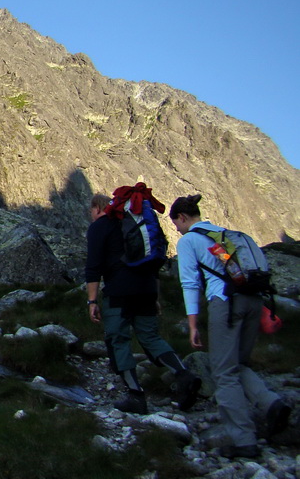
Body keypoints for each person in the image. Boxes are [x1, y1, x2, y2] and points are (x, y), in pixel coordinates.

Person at [170, 194, 292, 459]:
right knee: (239, 364)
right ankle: (271, 404)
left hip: (226, 304)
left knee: (223, 371)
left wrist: (193, 325)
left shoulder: (189, 240)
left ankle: (243, 439)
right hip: (253, 302)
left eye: (176, 224)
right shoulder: (225, 235)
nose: (176, 230)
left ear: (182, 217)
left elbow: (190, 283)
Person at [85, 192, 200, 415]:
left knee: (118, 339)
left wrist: (92, 300)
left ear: (97, 209)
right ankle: (184, 374)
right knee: (150, 336)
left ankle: (136, 395)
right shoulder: (136, 224)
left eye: (91, 211)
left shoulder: (100, 227)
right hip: (146, 289)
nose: (91, 215)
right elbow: (152, 263)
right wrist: (155, 297)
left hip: (119, 291)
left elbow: (93, 266)